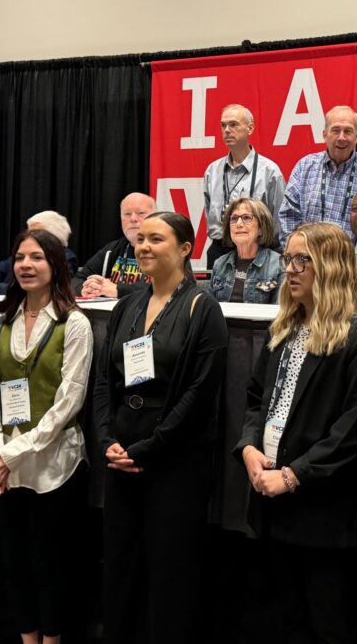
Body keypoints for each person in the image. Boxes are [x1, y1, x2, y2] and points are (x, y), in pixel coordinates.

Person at [238, 222, 357, 643]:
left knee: (326, 621)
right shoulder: (283, 329)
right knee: (283, 618)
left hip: (322, 511)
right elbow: (255, 401)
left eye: (305, 260)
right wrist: (248, 448)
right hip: (270, 501)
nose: (292, 269)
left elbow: (353, 431)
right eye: (288, 259)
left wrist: (292, 475)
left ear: (333, 267)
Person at [92, 211, 228, 644]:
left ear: (186, 249)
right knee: (120, 568)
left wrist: (150, 448)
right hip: (122, 454)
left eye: (157, 239)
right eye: (140, 239)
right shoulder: (128, 304)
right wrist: (108, 439)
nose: (144, 246)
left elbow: (200, 392)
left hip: (174, 461)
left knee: (171, 574)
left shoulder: (201, 308)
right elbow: (103, 382)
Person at [0, 228, 93, 644]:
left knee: (50, 563)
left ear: (55, 265)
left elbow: (68, 404)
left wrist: (12, 455)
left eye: (37, 258)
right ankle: (28, 638)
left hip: (53, 463)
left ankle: (53, 640)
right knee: (14, 562)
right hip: (2, 467)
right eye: (20, 257)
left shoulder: (74, 324)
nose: (26, 265)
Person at [278, 106, 357, 244]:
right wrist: (297, 256)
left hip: (353, 261)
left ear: (356, 137)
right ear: (324, 135)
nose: (341, 137)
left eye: (348, 131)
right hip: (309, 259)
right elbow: (288, 216)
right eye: (335, 130)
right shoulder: (304, 167)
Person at [202, 104, 286, 269]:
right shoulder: (212, 170)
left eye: (233, 124)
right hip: (219, 250)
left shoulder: (269, 171)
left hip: (257, 251)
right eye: (223, 125)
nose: (227, 130)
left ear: (250, 129)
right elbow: (209, 211)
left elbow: (278, 221)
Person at [72, 192, 156, 298]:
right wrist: (85, 288)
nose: (133, 219)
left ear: (155, 217)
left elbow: (167, 286)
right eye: (127, 214)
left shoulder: (164, 250)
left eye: (141, 213)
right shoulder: (111, 250)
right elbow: (76, 281)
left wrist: (117, 290)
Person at [208, 197, 283, 304]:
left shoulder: (279, 265)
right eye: (234, 218)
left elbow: (281, 314)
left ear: (261, 228)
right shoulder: (220, 264)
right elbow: (210, 312)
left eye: (246, 218)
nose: (238, 224)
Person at [0, 210, 79, 294]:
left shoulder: (66, 257)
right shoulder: (23, 253)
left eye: (37, 258)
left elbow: (52, 287)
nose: (28, 236)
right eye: (20, 258)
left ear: (53, 237)